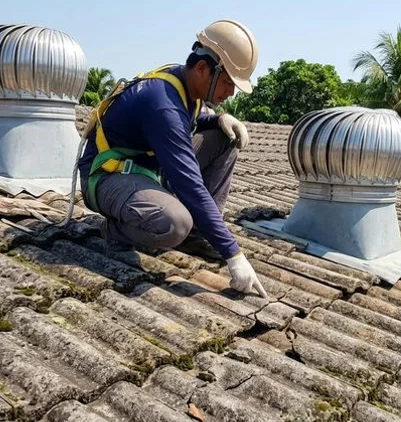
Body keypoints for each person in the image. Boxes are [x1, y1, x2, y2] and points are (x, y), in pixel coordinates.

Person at [76, 19, 267, 298]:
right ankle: (116, 231)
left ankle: (197, 236)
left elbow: (191, 119)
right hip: (107, 178)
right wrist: (233, 255)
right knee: (174, 223)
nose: (231, 93)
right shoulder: (162, 102)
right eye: (228, 83)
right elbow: (190, 185)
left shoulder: (184, 87)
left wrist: (218, 119)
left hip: (143, 172)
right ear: (203, 69)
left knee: (226, 138)